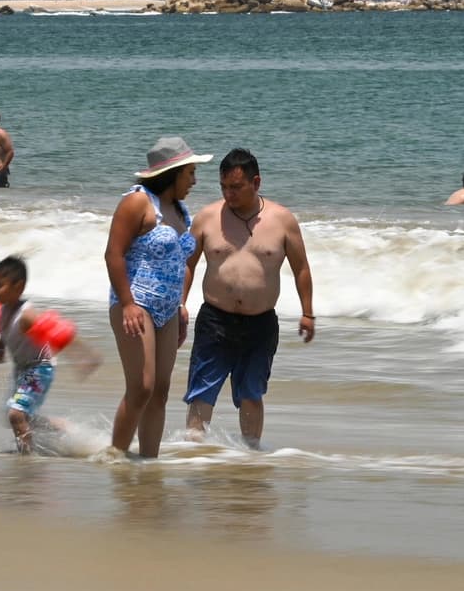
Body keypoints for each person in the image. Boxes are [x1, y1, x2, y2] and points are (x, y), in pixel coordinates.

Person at [181, 148, 315, 449]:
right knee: (202, 390)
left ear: (256, 182)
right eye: (224, 187)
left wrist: (308, 313)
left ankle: (250, 457)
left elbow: (301, 267)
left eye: (237, 187)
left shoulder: (282, 220)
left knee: (251, 393)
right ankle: (192, 453)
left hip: (260, 323)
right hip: (214, 319)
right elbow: (187, 265)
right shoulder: (207, 217)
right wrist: (181, 305)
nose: (229, 194)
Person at [104, 136, 212, 458]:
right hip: (137, 304)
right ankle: (116, 458)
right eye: (190, 173)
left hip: (167, 309)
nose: (194, 180)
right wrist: (127, 304)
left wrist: (180, 305)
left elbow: (182, 263)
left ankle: (148, 462)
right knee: (141, 388)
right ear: (173, 172)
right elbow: (113, 254)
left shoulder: (180, 210)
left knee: (161, 393)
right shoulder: (137, 203)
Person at [0, 255, 99, 454]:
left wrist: (85, 358)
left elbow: (59, 336)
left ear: (18, 286)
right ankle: (60, 427)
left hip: (39, 370)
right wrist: (1, 349)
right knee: (11, 415)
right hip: (22, 369)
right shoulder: (2, 310)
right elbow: (4, 329)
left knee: (16, 415)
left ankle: (27, 457)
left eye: (0, 285)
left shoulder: (27, 316)